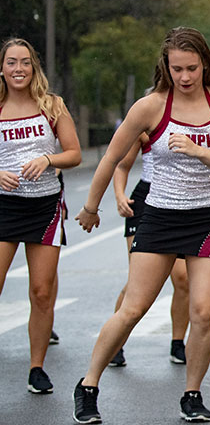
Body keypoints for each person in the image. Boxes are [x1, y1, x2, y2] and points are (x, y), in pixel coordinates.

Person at [72, 27, 210, 424]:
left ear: (206, 64)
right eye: (177, 69)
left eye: (192, 68)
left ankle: (192, 393)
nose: (185, 77)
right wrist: (91, 206)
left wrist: (198, 149)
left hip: (207, 217)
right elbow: (113, 158)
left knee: (202, 312)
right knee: (133, 308)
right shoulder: (150, 106)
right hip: (160, 216)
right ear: (165, 67)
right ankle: (88, 385)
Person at [0, 37, 81, 395]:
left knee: (42, 292)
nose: (19, 69)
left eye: (25, 62)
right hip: (4, 206)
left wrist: (48, 159)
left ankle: (37, 368)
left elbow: (75, 153)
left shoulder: (51, 106)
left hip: (45, 207)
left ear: (34, 67)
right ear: (1, 68)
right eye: (11, 62)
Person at [108, 127, 190, 367]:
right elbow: (122, 164)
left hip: (181, 201)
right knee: (138, 282)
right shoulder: (149, 121)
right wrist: (119, 195)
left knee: (182, 278)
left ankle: (178, 342)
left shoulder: (198, 116)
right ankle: (115, 343)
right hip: (145, 201)